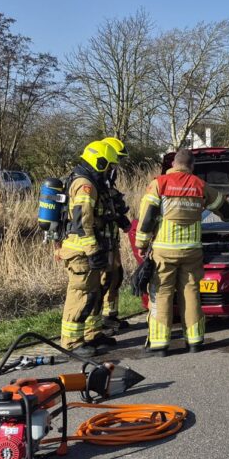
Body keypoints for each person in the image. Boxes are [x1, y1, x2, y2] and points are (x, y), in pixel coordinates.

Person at [134, 148, 225, 357]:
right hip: (192, 251)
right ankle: (194, 341)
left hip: (164, 251)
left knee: (162, 293)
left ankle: (159, 344)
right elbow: (225, 209)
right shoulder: (199, 185)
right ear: (192, 166)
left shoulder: (159, 184)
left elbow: (147, 218)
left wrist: (141, 243)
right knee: (191, 293)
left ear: (173, 164)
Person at [57, 140, 116, 358]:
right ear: (99, 162)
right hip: (81, 251)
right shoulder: (85, 185)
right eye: (109, 165)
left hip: (89, 248)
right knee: (80, 294)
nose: (111, 170)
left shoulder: (90, 181)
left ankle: (92, 333)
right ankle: (71, 342)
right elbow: (83, 223)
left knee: (94, 293)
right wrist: (93, 251)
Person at [99, 136, 132, 336]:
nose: (116, 165)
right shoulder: (94, 181)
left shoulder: (108, 179)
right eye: (115, 159)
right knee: (104, 278)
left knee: (116, 276)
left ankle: (111, 315)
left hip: (112, 239)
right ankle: (100, 321)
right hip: (101, 241)